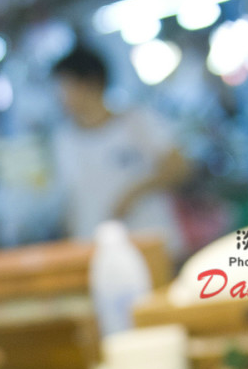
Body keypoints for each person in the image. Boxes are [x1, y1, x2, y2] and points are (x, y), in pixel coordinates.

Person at [51, 43, 189, 253]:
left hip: (151, 243)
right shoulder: (64, 140)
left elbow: (180, 168)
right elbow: (71, 203)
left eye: (64, 86)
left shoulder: (137, 121)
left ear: (90, 83)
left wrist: (134, 192)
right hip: (96, 251)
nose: (59, 96)